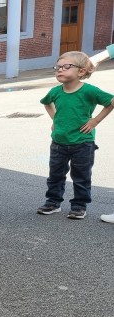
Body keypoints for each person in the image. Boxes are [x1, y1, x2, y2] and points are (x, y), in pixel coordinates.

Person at [37, 51, 114, 220]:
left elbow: (111, 102)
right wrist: (55, 120)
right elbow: (46, 103)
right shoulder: (55, 91)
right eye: (57, 67)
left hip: (83, 143)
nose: (60, 70)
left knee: (81, 176)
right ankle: (53, 202)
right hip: (58, 142)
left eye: (66, 67)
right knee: (55, 174)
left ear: (81, 71)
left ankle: (79, 206)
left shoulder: (89, 91)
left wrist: (95, 121)